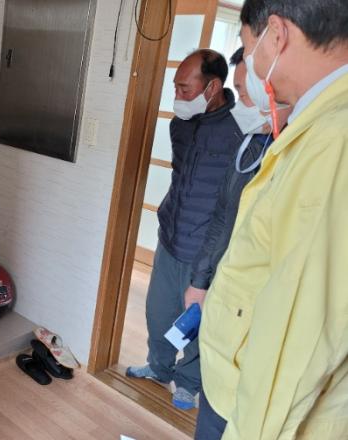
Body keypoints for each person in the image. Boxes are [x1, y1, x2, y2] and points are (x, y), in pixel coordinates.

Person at [197, 0, 348, 438]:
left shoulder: (333, 140)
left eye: (249, 47)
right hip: (239, 386)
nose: (252, 64)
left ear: (277, 35)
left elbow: (299, 339)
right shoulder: (318, 123)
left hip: (252, 411)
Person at [126, 49, 243, 410]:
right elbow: (180, 177)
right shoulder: (180, 124)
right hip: (170, 237)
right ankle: (159, 367)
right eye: (175, 87)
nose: (177, 96)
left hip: (206, 250)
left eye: (185, 89)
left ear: (212, 87)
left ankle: (189, 383)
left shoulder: (241, 130)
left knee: (195, 323)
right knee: (158, 312)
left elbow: (232, 203)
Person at [183, 46, 292, 311]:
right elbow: (223, 215)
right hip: (226, 281)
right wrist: (200, 281)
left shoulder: (305, 152)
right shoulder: (250, 146)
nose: (238, 106)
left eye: (243, 94)